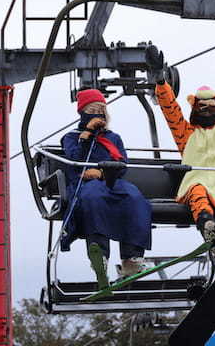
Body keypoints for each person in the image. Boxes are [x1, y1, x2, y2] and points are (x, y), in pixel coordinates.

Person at [146, 36, 215, 254]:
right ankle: (209, 228)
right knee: (197, 196)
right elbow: (171, 110)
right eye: (202, 106)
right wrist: (160, 81)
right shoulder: (186, 133)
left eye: (210, 106)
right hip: (195, 181)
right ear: (195, 108)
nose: (206, 110)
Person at [60, 89, 153, 289]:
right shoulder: (71, 137)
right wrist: (87, 136)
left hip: (110, 180)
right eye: (93, 109)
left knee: (134, 198)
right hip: (84, 184)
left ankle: (132, 258)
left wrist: (101, 173)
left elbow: (122, 163)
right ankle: (100, 255)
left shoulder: (114, 138)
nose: (98, 113)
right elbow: (74, 159)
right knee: (94, 198)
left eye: (101, 109)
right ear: (83, 112)